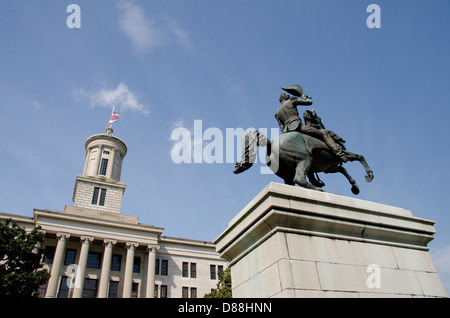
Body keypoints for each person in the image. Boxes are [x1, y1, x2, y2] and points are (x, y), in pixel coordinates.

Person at [275, 92, 348, 162]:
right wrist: (304, 97)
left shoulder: (277, 113)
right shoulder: (291, 101)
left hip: (287, 132)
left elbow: (281, 127)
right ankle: (340, 154)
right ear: (287, 97)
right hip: (298, 126)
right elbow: (309, 102)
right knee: (323, 134)